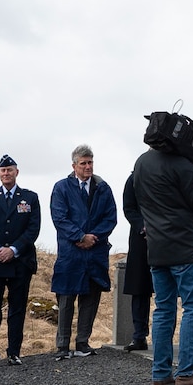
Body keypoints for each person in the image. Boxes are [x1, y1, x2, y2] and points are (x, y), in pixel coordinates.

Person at [131, 133, 193, 385]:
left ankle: (161, 374)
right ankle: (187, 373)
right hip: (184, 247)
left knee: (163, 309)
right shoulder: (182, 165)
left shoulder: (141, 163)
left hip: (157, 248)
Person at [48, 145, 116, 360]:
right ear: (74, 165)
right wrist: (79, 237)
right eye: (83, 163)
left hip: (95, 252)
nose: (88, 167)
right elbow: (59, 218)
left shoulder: (103, 187)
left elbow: (110, 218)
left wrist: (93, 237)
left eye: (90, 162)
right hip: (71, 253)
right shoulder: (61, 188)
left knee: (91, 298)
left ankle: (82, 343)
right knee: (66, 299)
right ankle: (62, 346)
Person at [0, 155, 41, 367]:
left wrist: (13, 250)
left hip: (20, 263)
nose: (6, 173)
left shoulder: (30, 198)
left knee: (17, 309)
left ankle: (14, 352)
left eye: (10, 170)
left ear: (16, 172)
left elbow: (33, 229)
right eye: (3, 170)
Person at [118, 171, 150, 353]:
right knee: (139, 288)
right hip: (141, 239)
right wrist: (142, 226)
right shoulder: (135, 176)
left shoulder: (171, 171)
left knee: (169, 289)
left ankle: (166, 337)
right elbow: (129, 207)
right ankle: (139, 336)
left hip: (168, 236)